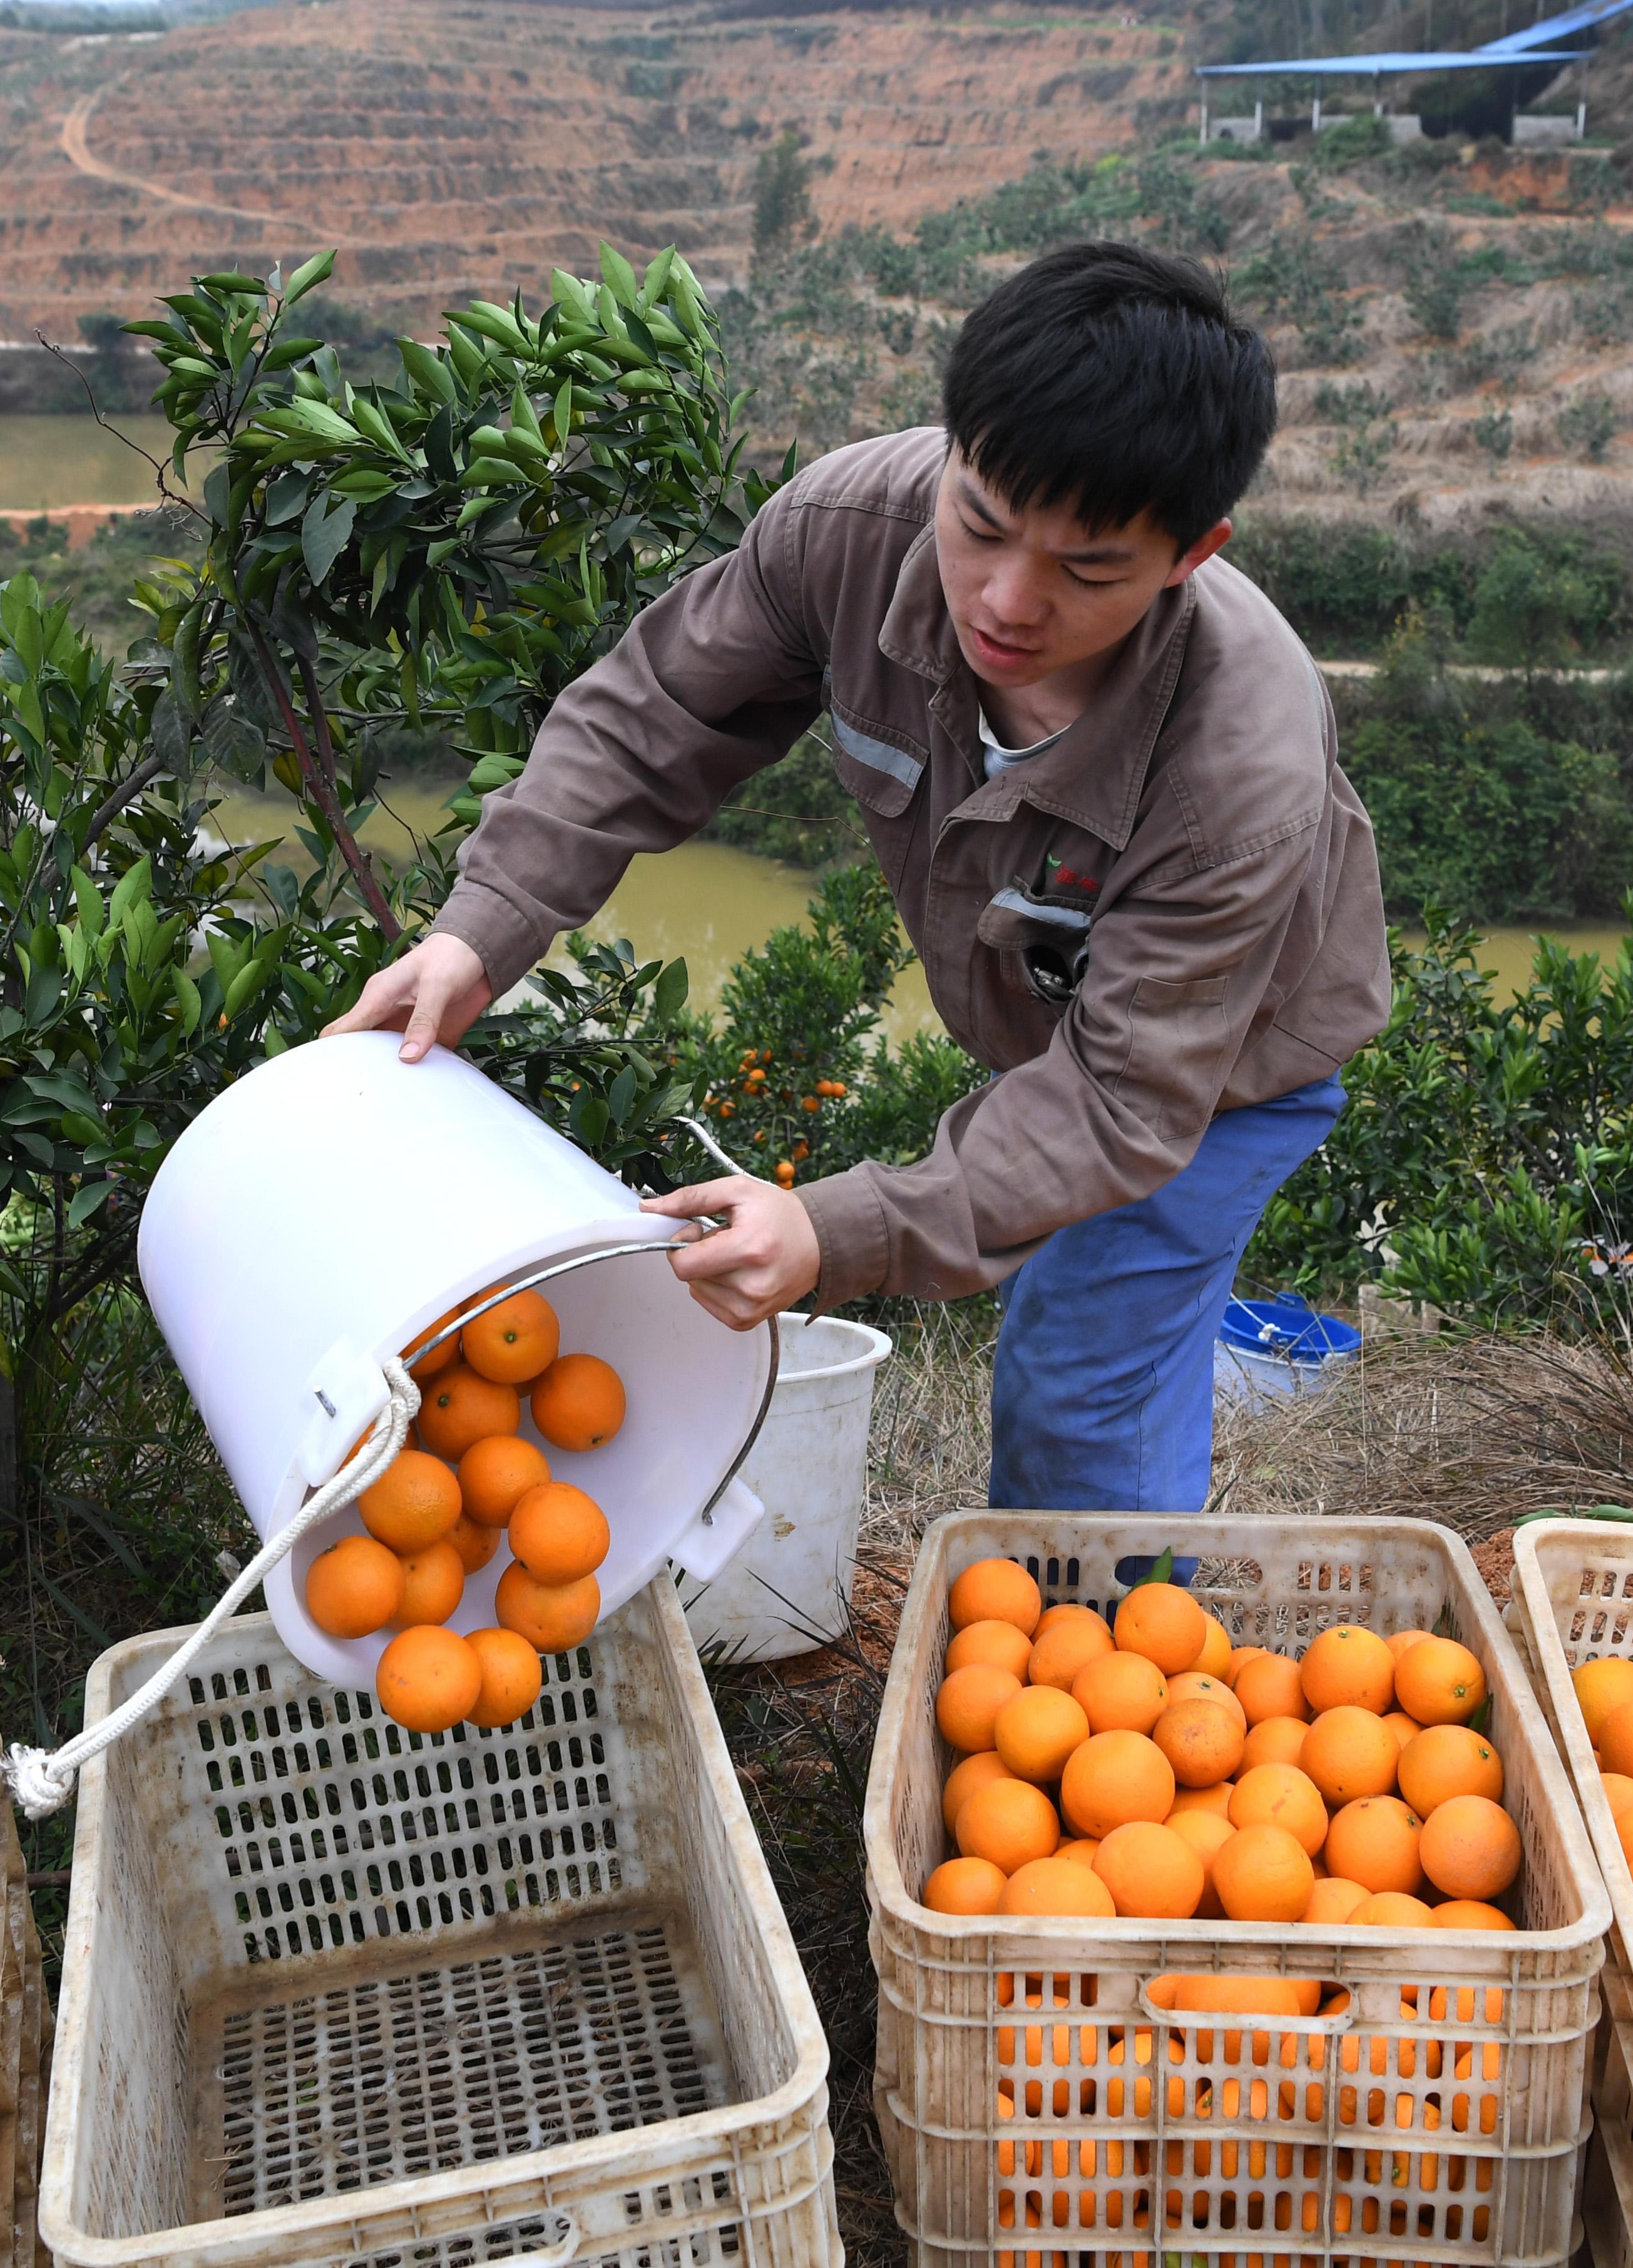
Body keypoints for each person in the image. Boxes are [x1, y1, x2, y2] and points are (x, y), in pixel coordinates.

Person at [335, 240, 1389, 1513]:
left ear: (1192, 552)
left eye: (1086, 569)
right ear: (952, 453)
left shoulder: (1236, 770)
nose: (1003, 600)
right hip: (1053, 1027)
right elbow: (651, 716)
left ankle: (1115, 1673)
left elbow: (1120, 1102)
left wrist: (833, 1232)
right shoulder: (846, 530)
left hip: (1225, 1069)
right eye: (981, 524)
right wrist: (479, 930)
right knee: (1103, 1315)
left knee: (1079, 1365)